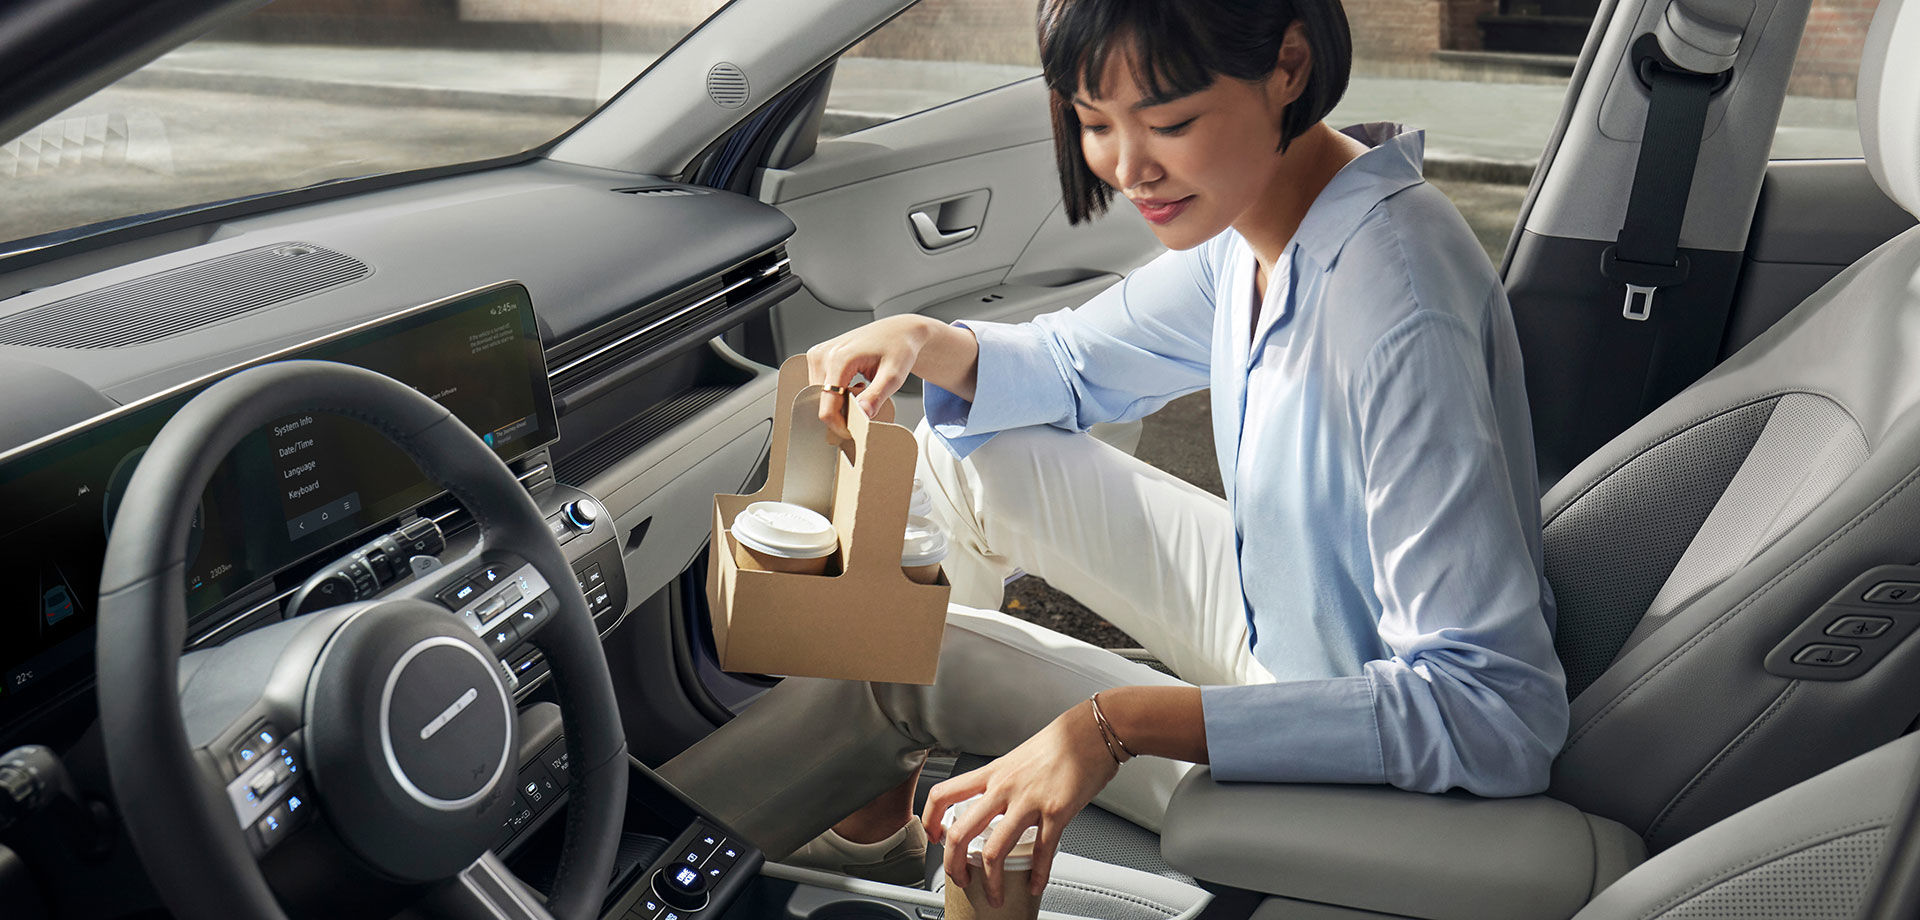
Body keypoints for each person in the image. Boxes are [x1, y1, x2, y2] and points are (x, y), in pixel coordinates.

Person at [661, 0, 1569, 908]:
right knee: (966, 453)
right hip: (1287, 612)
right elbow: (1074, 360)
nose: (1129, 168)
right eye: (1096, 124)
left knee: (900, 660)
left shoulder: (1394, 305)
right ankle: (876, 833)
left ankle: (637, 868)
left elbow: (1493, 715)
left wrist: (1111, 725)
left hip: (1338, 727)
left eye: (1169, 122)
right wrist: (926, 339)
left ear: (1288, 66)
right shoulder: (1269, 230)